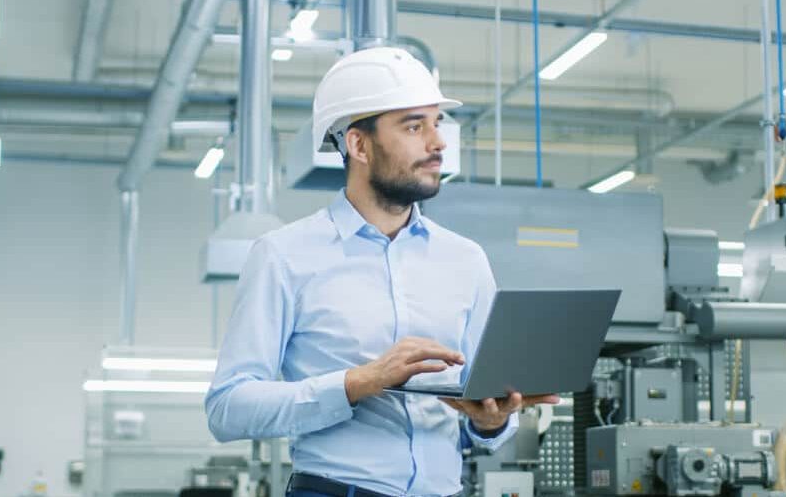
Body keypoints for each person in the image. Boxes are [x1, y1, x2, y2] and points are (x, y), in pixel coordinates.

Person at [205, 47, 559, 497]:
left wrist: (492, 421)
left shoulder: (465, 260)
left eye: (437, 123)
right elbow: (227, 408)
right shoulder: (283, 255)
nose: (438, 144)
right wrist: (358, 383)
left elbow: (477, 414)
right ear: (358, 144)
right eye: (414, 126)